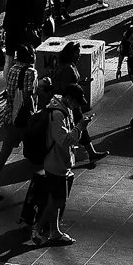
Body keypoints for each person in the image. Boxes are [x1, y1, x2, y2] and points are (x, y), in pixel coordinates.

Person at [0, 48, 40, 200]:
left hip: (10, 116)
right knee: (40, 147)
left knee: (5, 151)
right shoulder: (31, 72)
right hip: (24, 119)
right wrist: (35, 114)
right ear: (29, 56)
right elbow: (28, 97)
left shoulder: (13, 69)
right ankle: (40, 190)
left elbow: (11, 91)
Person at [30, 91, 81, 246]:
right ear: (69, 98)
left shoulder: (64, 110)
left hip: (57, 161)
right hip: (56, 163)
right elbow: (64, 140)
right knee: (59, 201)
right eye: (77, 102)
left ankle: (55, 231)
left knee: (55, 199)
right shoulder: (58, 114)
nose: (78, 106)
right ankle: (37, 228)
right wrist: (80, 127)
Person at [49, 40, 104, 168]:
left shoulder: (69, 65)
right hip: (70, 103)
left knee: (78, 126)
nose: (79, 55)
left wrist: (82, 82)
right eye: (77, 53)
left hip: (71, 101)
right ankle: (91, 152)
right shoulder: (68, 68)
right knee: (80, 125)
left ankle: (89, 151)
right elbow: (67, 86)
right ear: (71, 54)